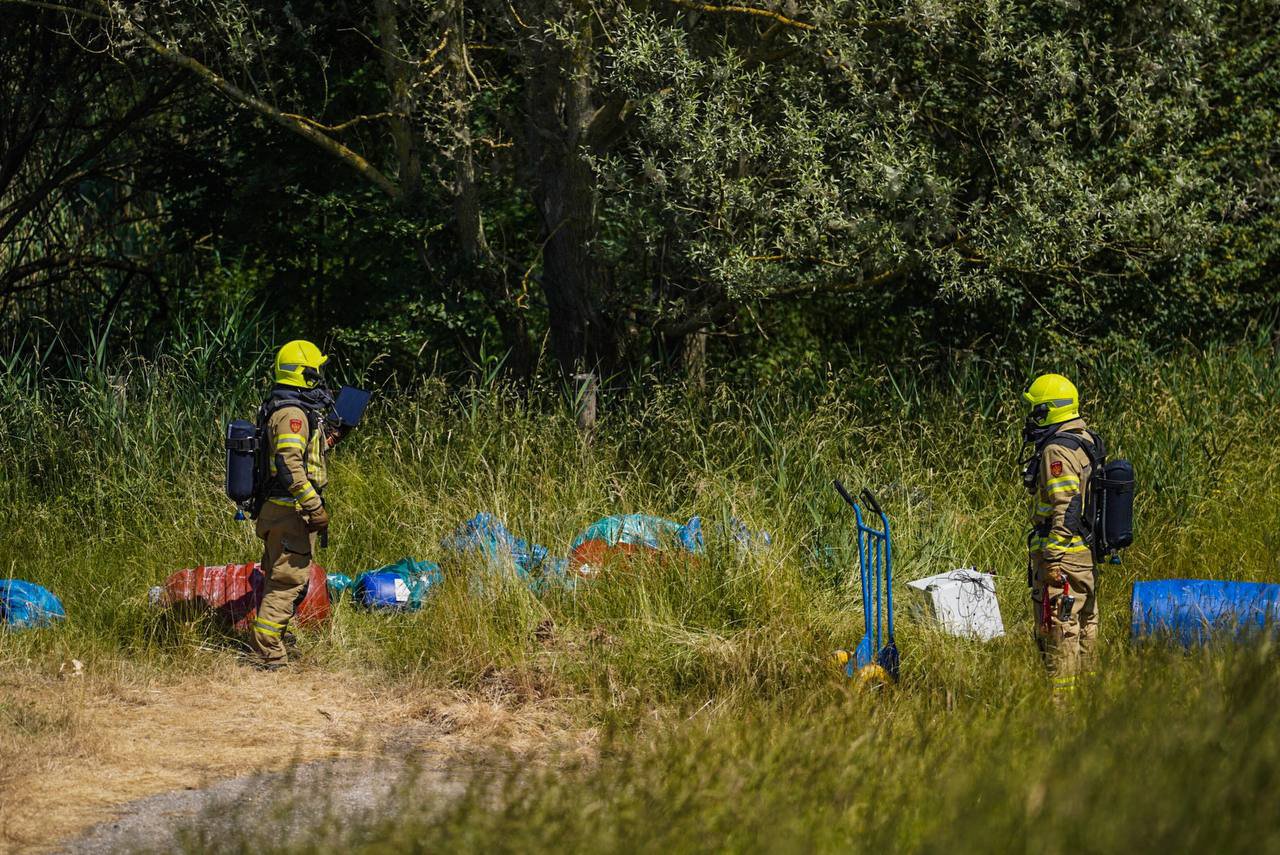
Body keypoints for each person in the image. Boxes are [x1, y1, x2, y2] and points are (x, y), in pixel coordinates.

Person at [250, 339, 334, 670]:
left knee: (278, 576)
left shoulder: (284, 408)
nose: (319, 380)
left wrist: (331, 439)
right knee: (287, 582)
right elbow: (288, 463)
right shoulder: (293, 413)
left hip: (278, 508)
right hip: (290, 510)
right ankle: (270, 653)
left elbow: (300, 455)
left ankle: (275, 640)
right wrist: (313, 506)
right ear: (304, 374)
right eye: (315, 373)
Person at [1021, 373, 1103, 696]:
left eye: (1036, 411)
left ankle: (1062, 710)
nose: (1031, 420)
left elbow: (1066, 508)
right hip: (1084, 557)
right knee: (1085, 628)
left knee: (1060, 633)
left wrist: (1052, 559)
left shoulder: (1056, 450)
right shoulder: (1085, 440)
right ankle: (1088, 702)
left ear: (1049, 411)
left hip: (1063, 561)